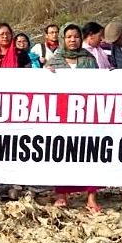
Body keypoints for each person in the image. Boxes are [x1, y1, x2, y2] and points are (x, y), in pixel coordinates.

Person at [44, 24, 101, 211]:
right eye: (68, 36)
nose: (72, 40)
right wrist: (47, 74)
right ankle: (62, 193)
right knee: (62, 154)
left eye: (76, 36)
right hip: (62, 117)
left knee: (90, 154)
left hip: (87, 116)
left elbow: (101, 85)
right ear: (62, 38)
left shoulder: (89, 60)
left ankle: (91, 196)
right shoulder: (55, 60)